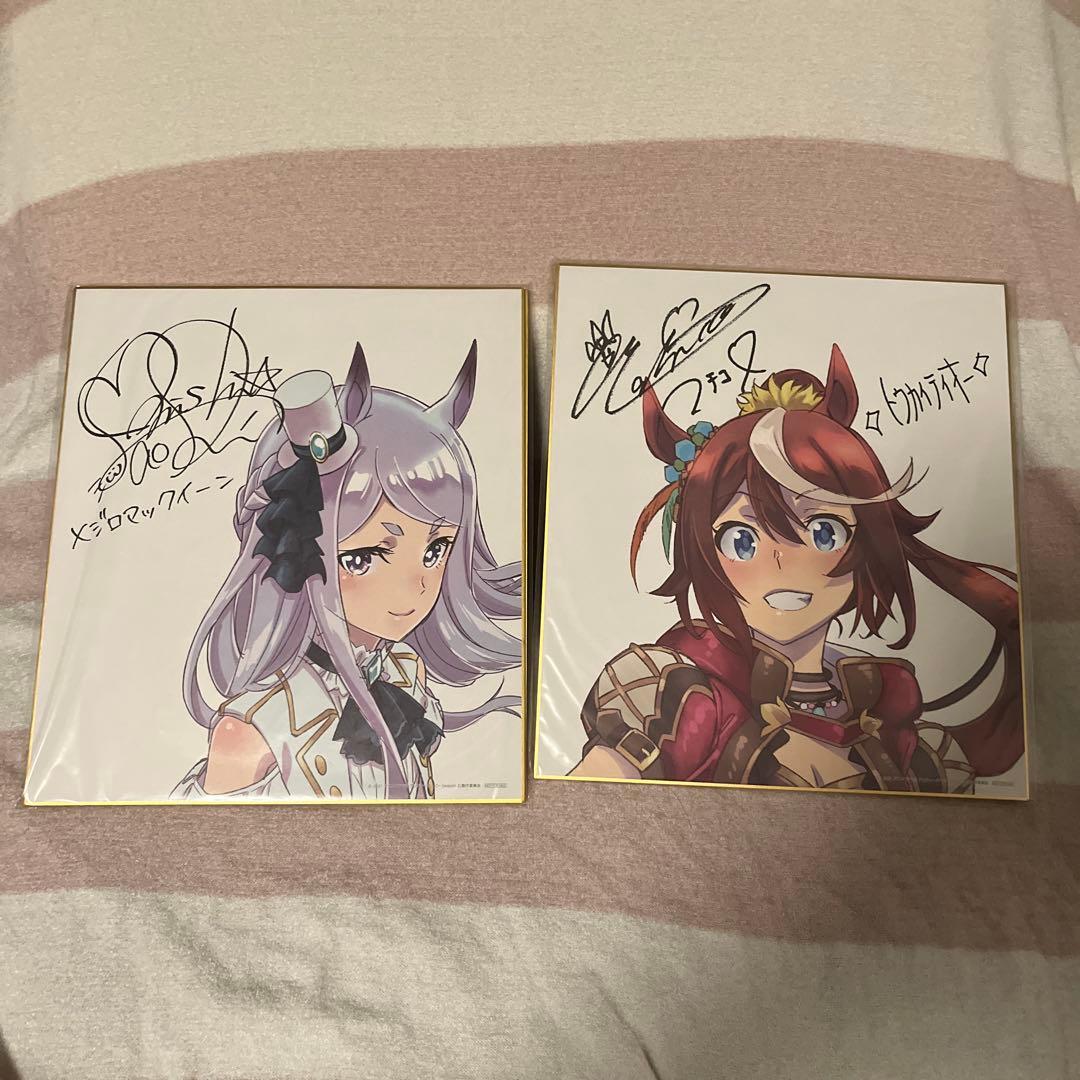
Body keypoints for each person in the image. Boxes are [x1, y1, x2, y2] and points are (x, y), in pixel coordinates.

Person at [571, 344, 1022, 793]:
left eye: (824, 532)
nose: (783, 562)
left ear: (868, 540)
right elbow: (586, 802)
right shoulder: (677, 694)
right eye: (741, 540)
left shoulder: (884, 710)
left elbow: (969, 778)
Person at [174, 340, 521, 800]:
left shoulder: (405, 674)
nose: (416, 586)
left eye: (436, 549)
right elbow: (199, 839)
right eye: (364, 557)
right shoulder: (254, 729)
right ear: (294, 557)